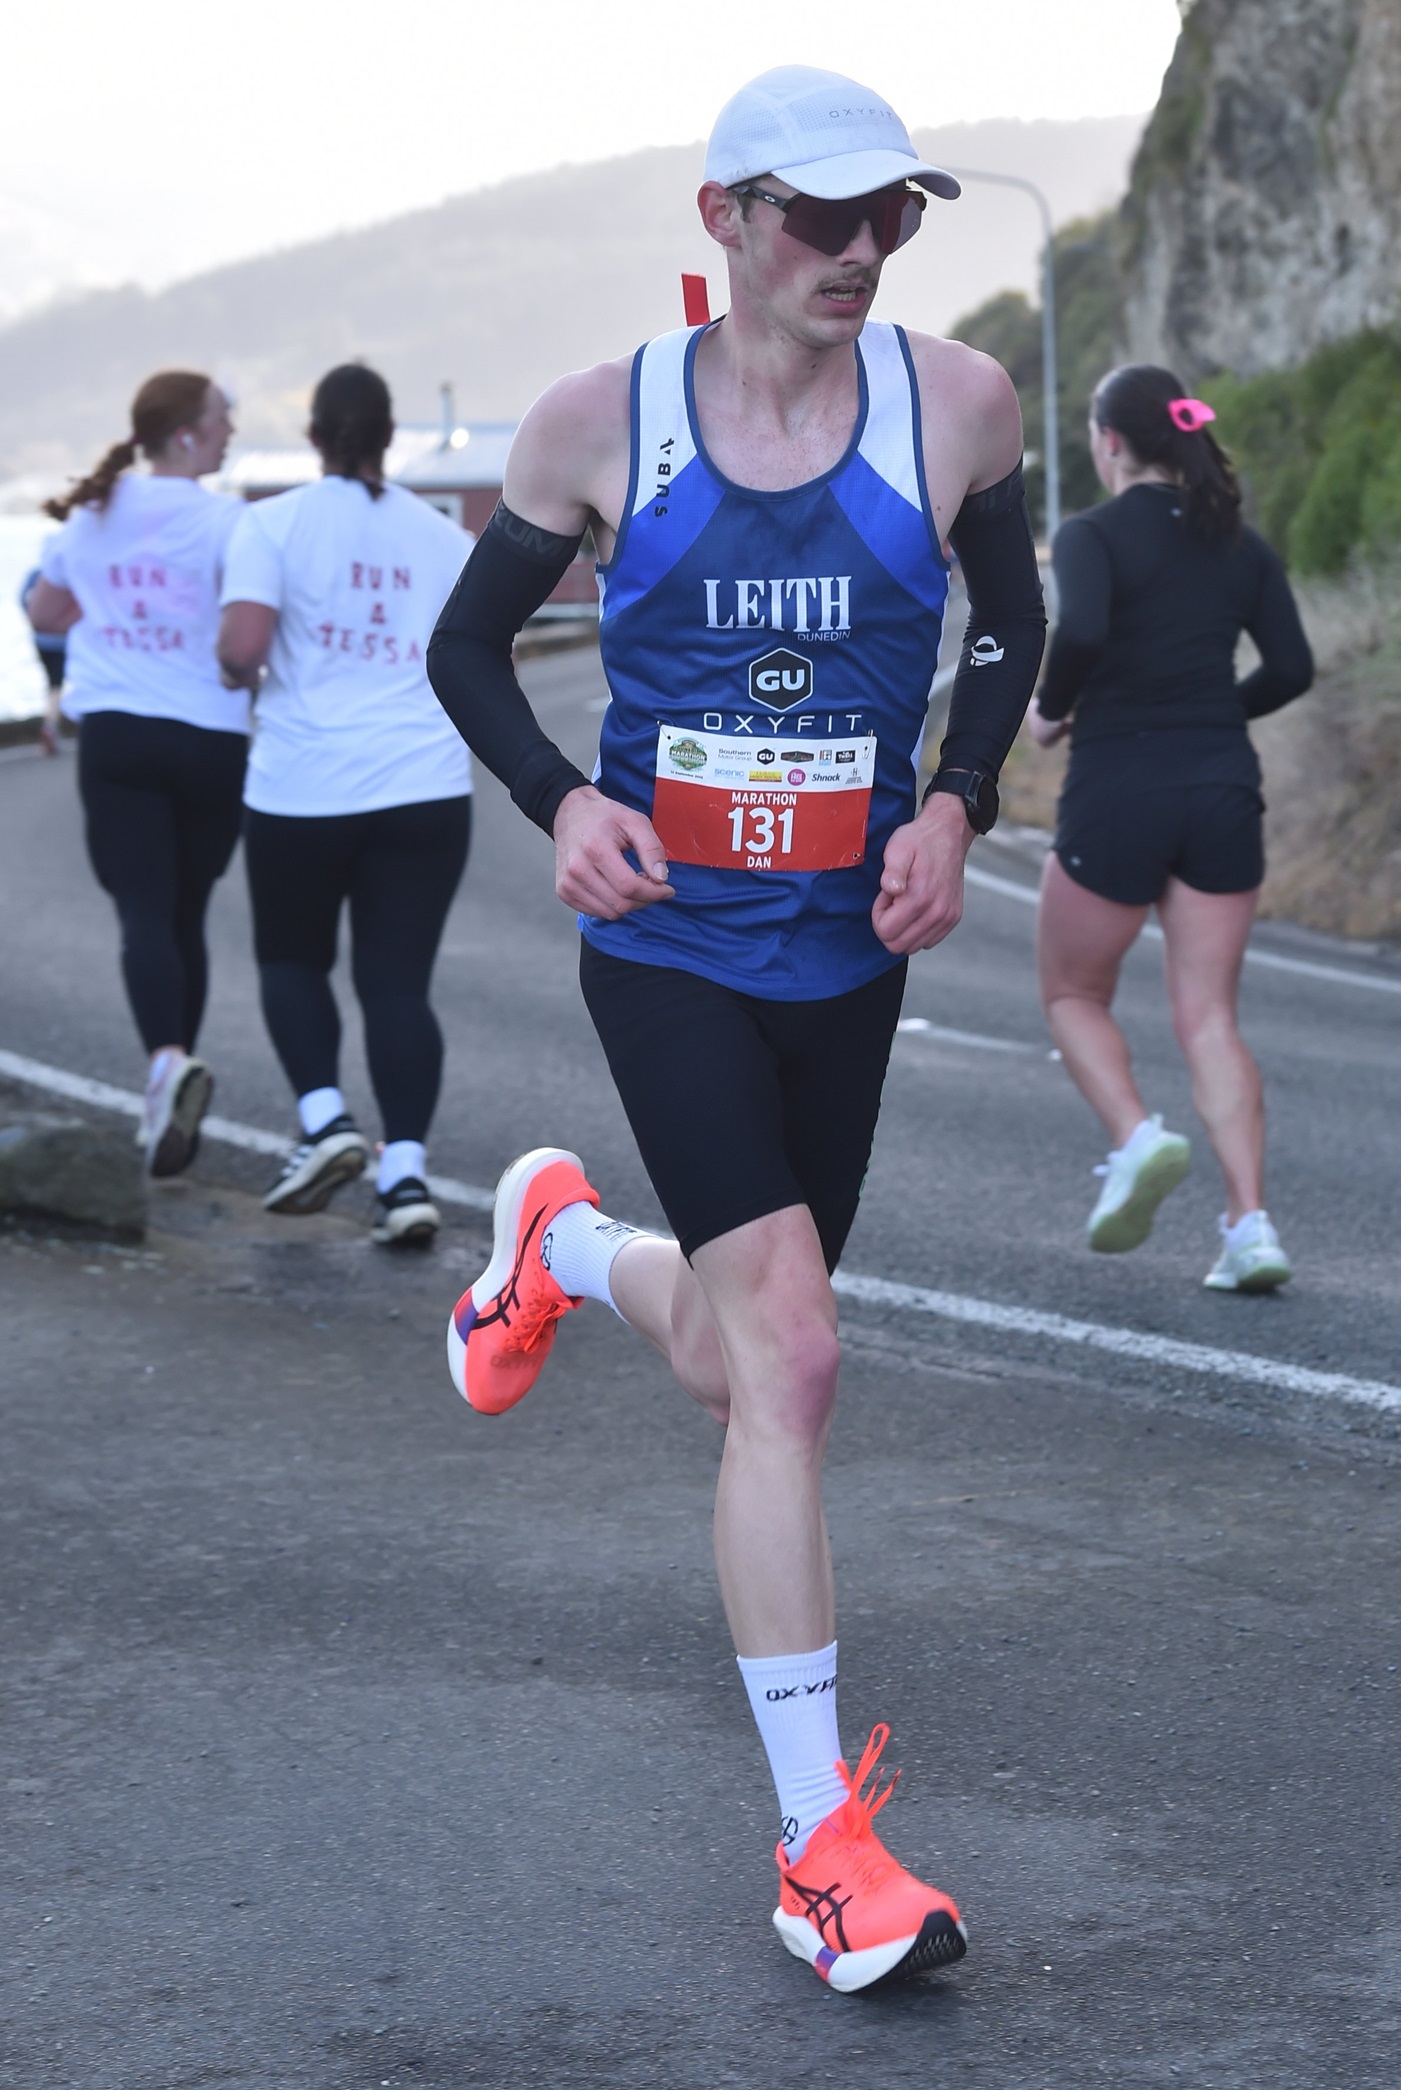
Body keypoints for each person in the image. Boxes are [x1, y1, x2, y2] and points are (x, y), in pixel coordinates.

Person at [427, 67, 1045, 1991]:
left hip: (847, 959)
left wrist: (957, 805)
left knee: (726, 1356)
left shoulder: (957, 403)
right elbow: (464, 648)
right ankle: (817, 1855)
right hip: (676, 951)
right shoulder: (600, 423)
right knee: (793, 1360)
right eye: (822, 216)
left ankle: (560, 1243)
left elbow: (1012, 627)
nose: (862, 251)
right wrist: (563, 802)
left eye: (895, 219)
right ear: (725, 219)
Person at [1026, 364, 1314, 1291]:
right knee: (1210, 1018)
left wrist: (1048, 709)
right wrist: (1215, 710)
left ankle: (1136, 1134)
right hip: (1222, 785)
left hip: (1119, 786)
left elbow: (1080, 632)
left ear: (1109, 442)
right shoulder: (1240, 542)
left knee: (1072, 993)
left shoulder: (1090, 534)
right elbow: (1293, 667)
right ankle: (1250, 1227)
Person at [217, 363, 474, 1248]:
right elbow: (482, 654)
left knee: (293, 963)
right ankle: (405, 1178)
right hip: (424, 785)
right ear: (389, 435)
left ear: (316, 435)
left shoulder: (271, 524)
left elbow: (241, 652)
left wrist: (232, 662)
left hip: (303, 786)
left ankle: (325, 1122)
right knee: (398, 985)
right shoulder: (441, 537)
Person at [26, 371, 245, 1174]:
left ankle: (165, 1065)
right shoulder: (229, 521)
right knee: (184, 914)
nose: (232, 432)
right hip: (211, 738)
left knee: (143, 914)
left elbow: (47, 613)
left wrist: (112, 612)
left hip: (119, 735)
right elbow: (250, 619)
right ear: (187, 432)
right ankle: (169, 1083)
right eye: (224, 420)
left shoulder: (90, 515)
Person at [18, 568, 66, 753]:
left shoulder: (35, 573)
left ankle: (51, 725)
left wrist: (36, 618)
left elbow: (22, 597)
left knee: (52, 684)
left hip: (41, 638)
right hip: (63, 640)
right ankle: (51, 726)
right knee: (60, 684)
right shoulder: (66, 571)